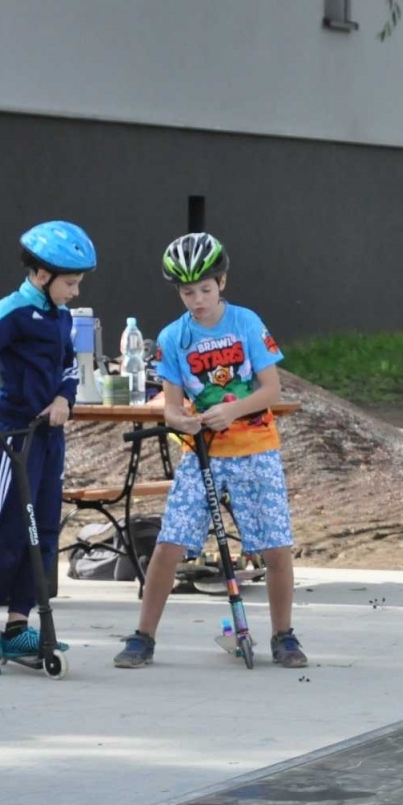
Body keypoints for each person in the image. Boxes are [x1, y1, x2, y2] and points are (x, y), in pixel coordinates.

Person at [112, 232, 308, 669]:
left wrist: (232, 411)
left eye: (205, 289)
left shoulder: (246, 323)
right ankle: (143, 636)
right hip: (201, 454)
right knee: (169, 544)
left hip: (256, 449)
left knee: (275, 547)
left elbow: (272, 390)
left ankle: (284, 635)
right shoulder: (172, 337)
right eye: (186, 292)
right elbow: (172, 404)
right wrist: (181, 420)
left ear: (222, 282)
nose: (197, 300)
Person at [0, 222, 95, 674]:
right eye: (70, 283)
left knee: (45, 532)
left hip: (49, 435)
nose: (74, 292)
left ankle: (18, 626)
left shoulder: (61, 317)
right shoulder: (13, 311)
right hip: (16, 435)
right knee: (12, 529)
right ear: (40, 275)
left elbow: (70, 368)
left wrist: (63, 398)